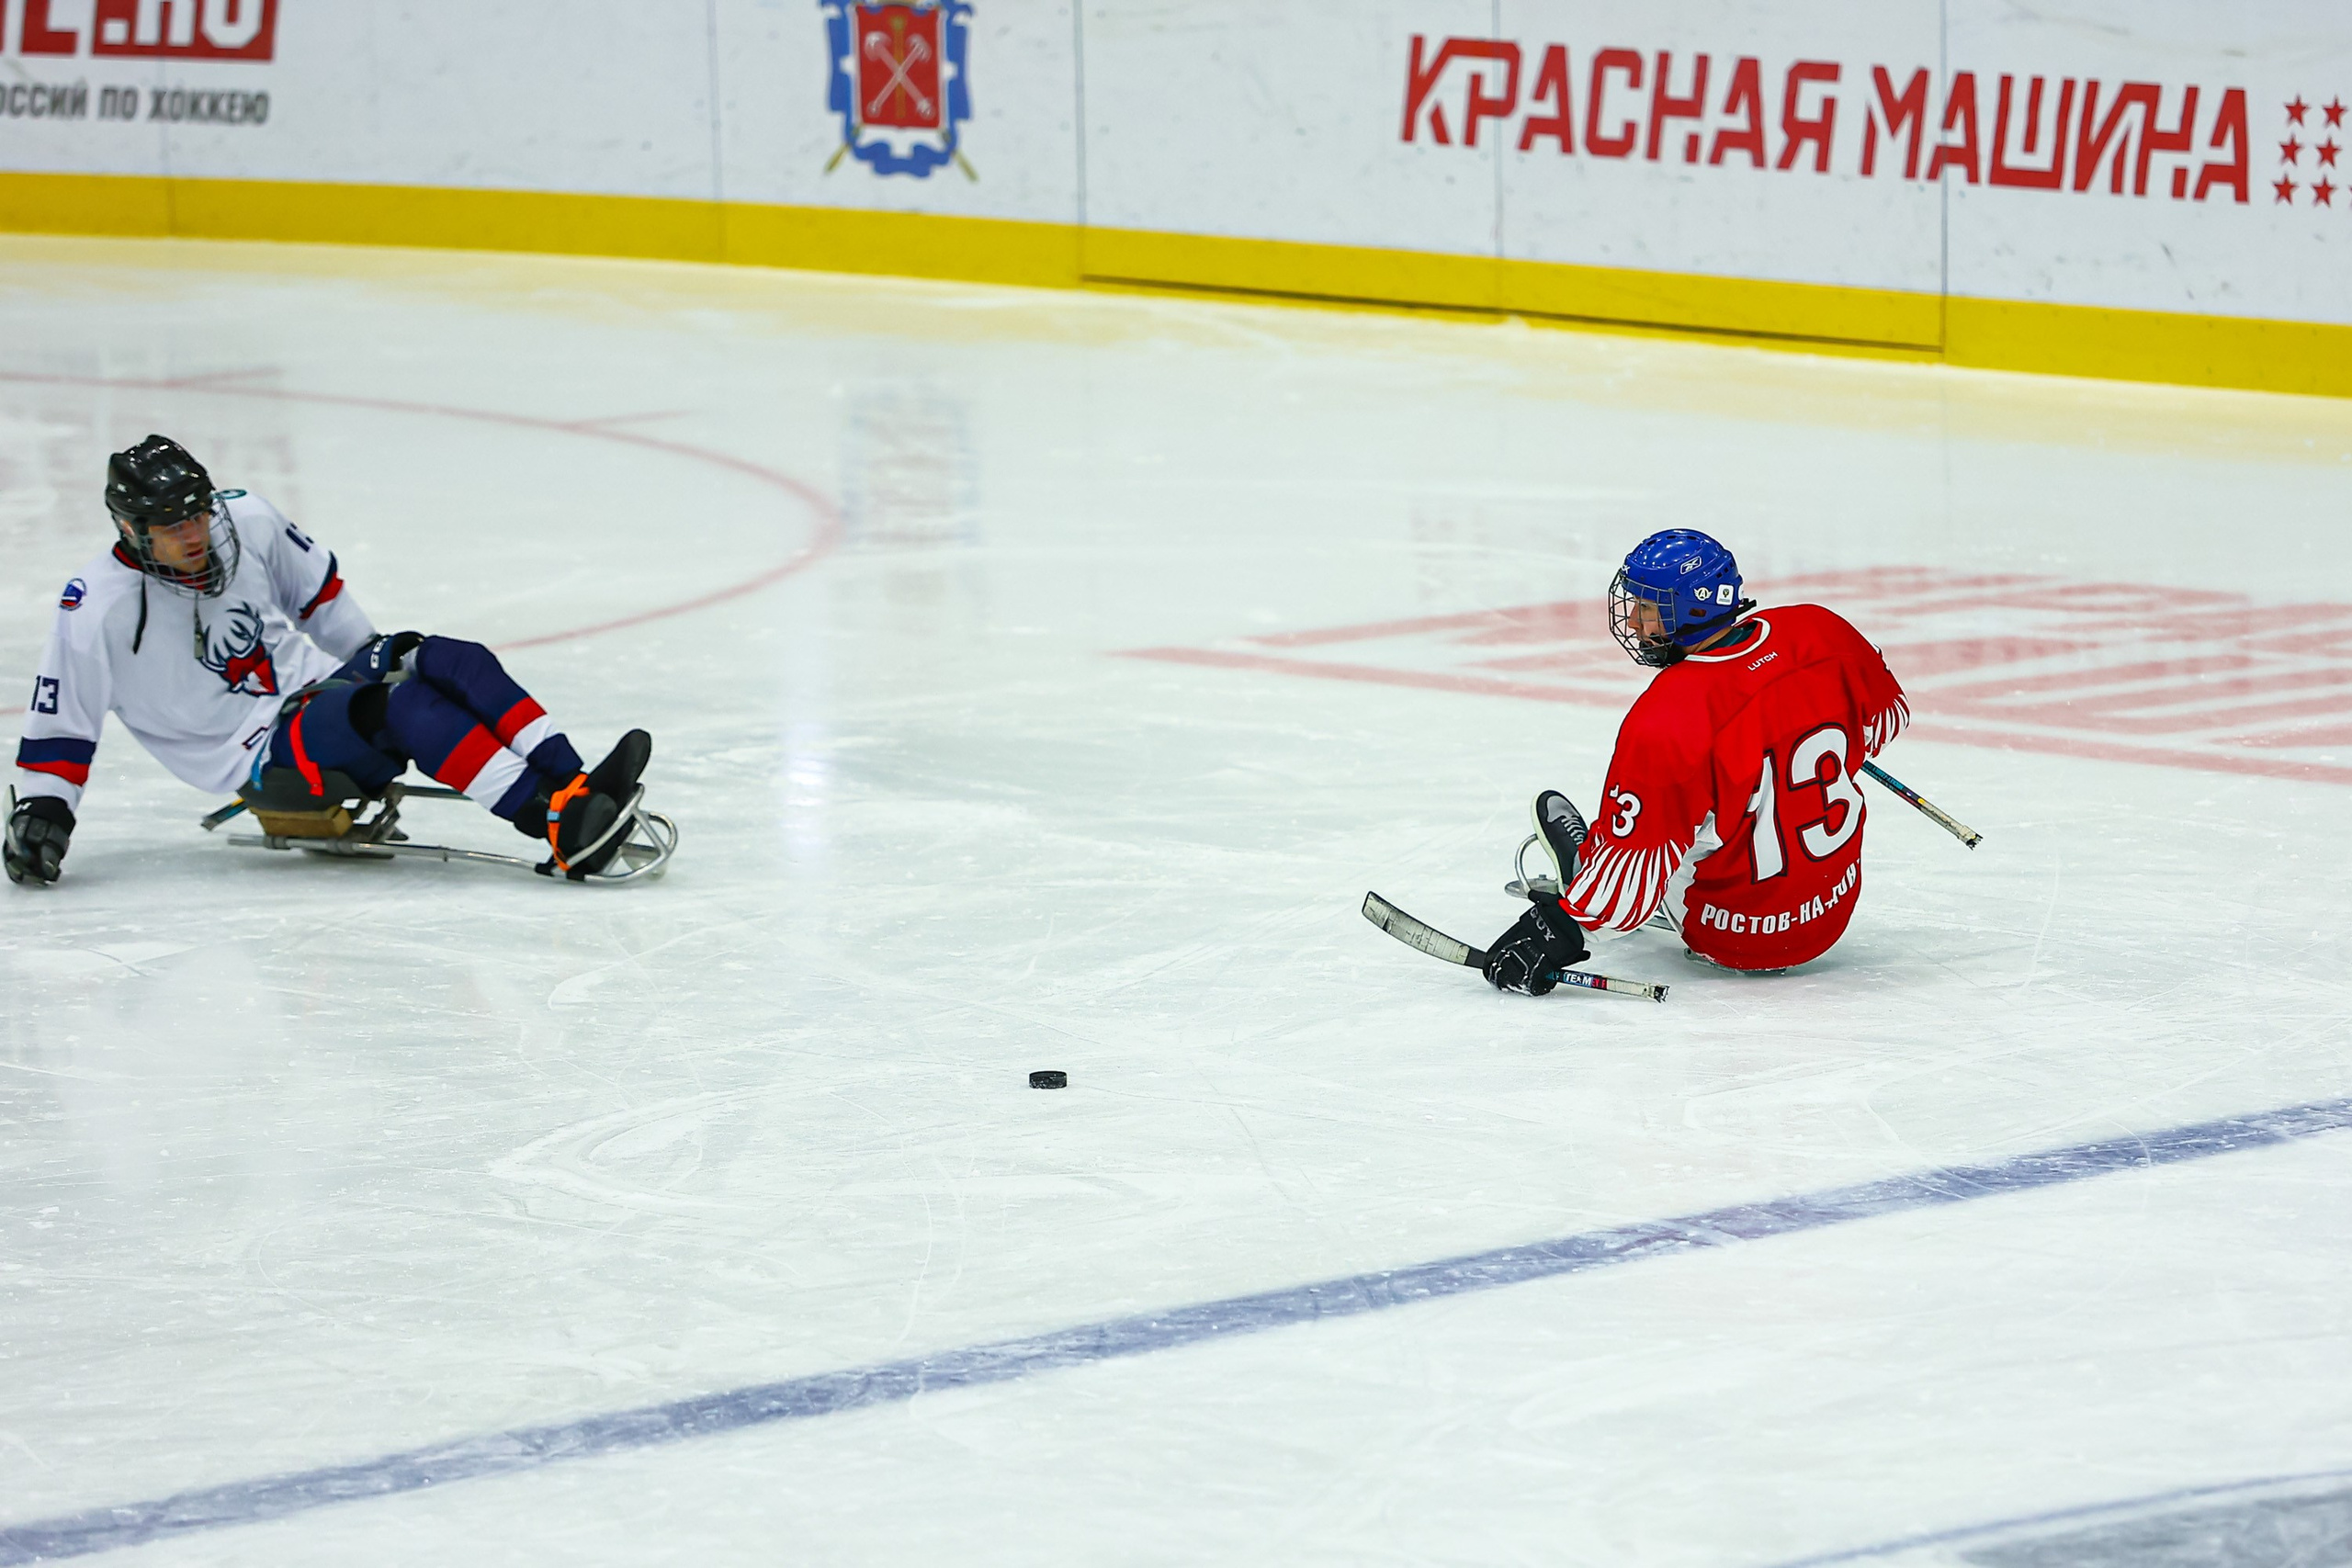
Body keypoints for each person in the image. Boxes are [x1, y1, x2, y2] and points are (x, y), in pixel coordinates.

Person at [6, 434, 653, 887]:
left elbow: (321, 603)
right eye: (174, 525)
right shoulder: (94, 609)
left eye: (199, 512)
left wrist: (386, 657)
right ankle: (555, 824)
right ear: (131, 529)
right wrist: (45, 811)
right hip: (256, 752)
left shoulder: (246, 521)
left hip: (319, 694)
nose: (197, 532)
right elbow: (62, 724)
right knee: (407, 709)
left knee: (452, 660)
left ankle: (576, 784)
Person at [1483, 528, 1909, 990]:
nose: (1633, 624)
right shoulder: (1822, 628)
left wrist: (1557, 930)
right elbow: (1889, 717)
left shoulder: (1668, 717)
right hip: (1829, 910)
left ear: (1694, 608)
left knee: (1651, 830)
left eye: (1647, 609)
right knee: (1728, 795)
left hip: (1734, 933)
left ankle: (1585, 867)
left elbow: (1627, 891)